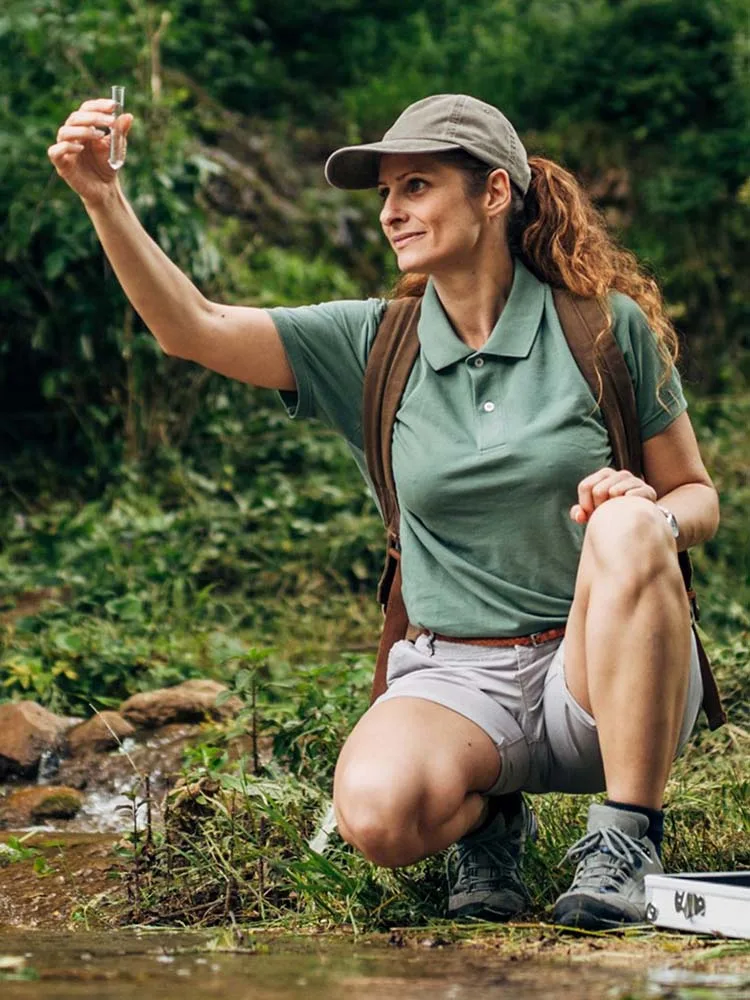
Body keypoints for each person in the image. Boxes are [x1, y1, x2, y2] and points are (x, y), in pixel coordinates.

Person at [49, 93, 719, 930]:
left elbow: (697, 494)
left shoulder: (601, 329)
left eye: (417, 186)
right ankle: (492, 818)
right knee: (376, 815)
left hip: (602, 673)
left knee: (626, 522)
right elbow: (194, 327)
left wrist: (649, 514)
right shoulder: (375, 342)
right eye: (385, 195)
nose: (393, 212)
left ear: (494, 194)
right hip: (456, 675)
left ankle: (626, 837)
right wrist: (101, 197)